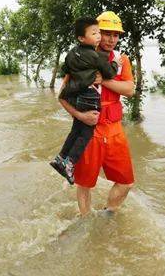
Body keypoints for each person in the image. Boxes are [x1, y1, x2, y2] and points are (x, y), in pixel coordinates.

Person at [58, 11, 135, 217]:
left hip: (115, 130)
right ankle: (85, 220)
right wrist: (80, 116)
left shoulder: (121, 59)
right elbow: (62, 96)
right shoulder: (79, 59)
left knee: (126, 182)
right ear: (97, 34)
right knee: (85, 183)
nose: (111, 39)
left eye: (116, 35)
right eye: (106, 33)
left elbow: (129, 89)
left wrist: (104, 80)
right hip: (89, 130)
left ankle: (108, 214)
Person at [50, 17, 118, 184]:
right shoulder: (95, 56)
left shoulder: (72, 53)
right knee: (87, 132)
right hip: (90, 96)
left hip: (75, 96)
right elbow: (109, 73)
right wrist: (115, 63)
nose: (99, 36)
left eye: (99, 32)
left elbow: (65, 70)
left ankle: (61, 158)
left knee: (76, 129)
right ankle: (70, 163)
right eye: (94, 33)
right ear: (81, 38)